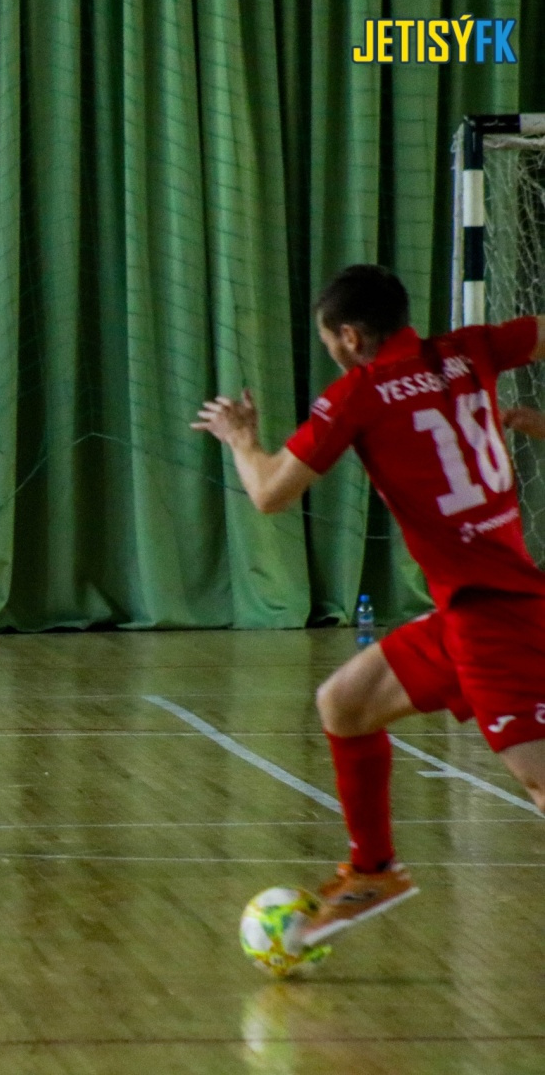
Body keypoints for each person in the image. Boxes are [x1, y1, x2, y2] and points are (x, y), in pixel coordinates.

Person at [192, 263, 545, 945]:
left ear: (350, 337)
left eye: (329, 340)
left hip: (493, 617)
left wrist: (242, 440)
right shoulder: (472, 348)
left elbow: (269, 493)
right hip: (468, 609)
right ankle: (372, 871)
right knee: (345, 703)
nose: (331, 351)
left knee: (538, 784)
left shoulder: (358, 394)